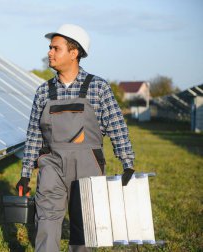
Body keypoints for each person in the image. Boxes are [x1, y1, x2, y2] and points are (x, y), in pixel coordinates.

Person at [16, 24, 135, 252]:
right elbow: (33, 134)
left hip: (88, 164)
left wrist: (127, 163)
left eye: (55, 48)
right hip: (52, 164)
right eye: (49, 48)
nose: (49, 53)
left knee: (84, 225)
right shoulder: (43, 91)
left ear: (74, 53)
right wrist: (25, 174)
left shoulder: (98, 87)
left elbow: (117, 126)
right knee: (46, 220)